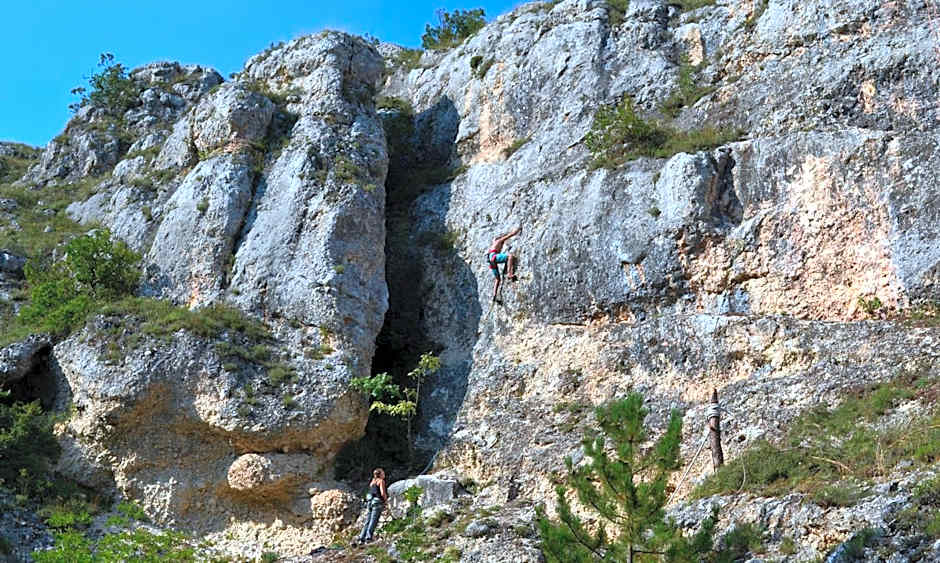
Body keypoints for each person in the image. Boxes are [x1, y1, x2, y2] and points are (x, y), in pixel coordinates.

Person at [486, 226, 521, 303]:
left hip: (491, 261)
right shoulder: (498, 241)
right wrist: (517, 230)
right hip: (494, 257)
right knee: (510, 257)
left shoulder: (493, 246)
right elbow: (510, 235)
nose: (502, 247)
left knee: (498, 279)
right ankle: (509, 274)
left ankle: (494, 294)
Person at [355, 468, 388, 544]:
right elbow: (382, 493)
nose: (384, 474)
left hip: (370, 502)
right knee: (373, 521)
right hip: (377, 502)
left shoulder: (372, 481)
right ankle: (368, 538)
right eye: (383, 473)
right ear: (380, 474)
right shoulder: (381, 481)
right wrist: (386, 501)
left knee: (368, 521)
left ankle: (361, 538)